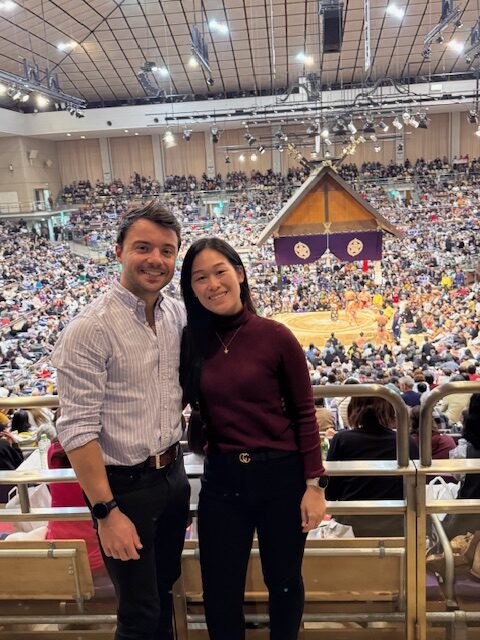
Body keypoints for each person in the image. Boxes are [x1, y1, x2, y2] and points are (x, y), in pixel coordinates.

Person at [51, 201, 191, 640]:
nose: (155, 259)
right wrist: (106, 511)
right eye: (143, 247)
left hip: (172, 474)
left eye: (166, 251)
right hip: (123, 489)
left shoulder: (175, 314)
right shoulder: (90, 328)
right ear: (118, 252)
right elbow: (77, 429)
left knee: (163, 591)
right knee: (138, 611)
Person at [180, 237, 326, 640]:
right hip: (222, 479)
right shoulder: (191, 341)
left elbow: (305, 413)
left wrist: (314, 485)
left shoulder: (275, 336)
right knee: (219, 589)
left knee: (284, 581)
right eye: (200, 278)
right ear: (191, 289)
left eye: (220, 272)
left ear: (240, 274)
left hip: (281, 477)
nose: (213, 284)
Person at [326, 395, 419, 537]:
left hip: (351, 525)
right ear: (390, 410)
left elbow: (331, 492)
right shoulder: (405, 441)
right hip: (399, 524)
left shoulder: (342, 439)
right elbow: (416, 488)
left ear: (353, 409)